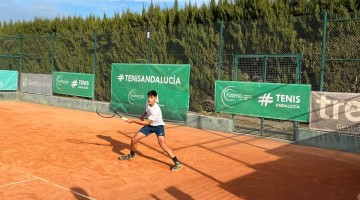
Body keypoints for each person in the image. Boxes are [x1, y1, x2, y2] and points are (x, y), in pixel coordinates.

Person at [119, 90, 183, 172]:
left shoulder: (155, 110)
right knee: (134, 139)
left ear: (155, 98)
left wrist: (133, 121)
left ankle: (177, 162)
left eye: (151, 97)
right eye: (148, 97)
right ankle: (131, 155)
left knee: (162, 144)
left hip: (158, 127)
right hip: (150, 126)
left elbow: (146, 122)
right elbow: (147, 110)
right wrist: (142, 115)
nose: (149, 99)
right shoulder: (148, 102)